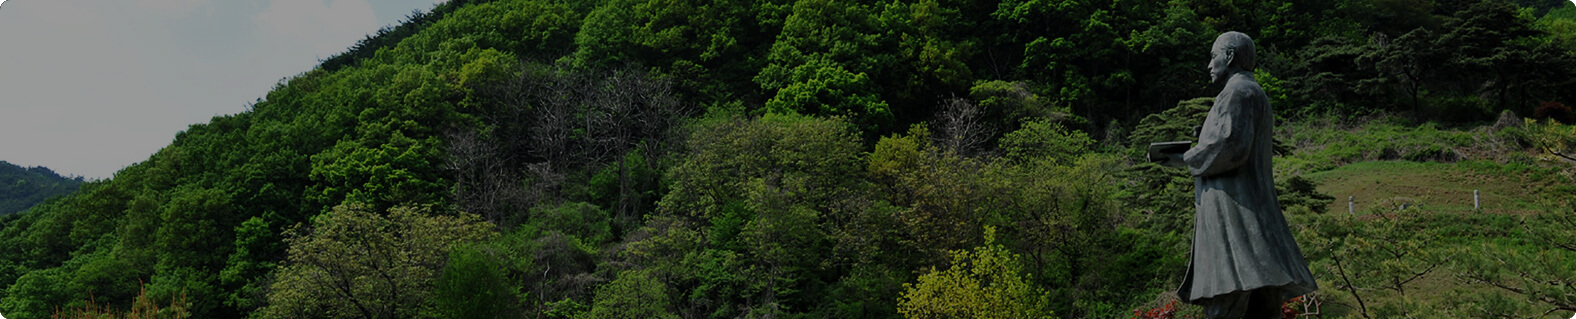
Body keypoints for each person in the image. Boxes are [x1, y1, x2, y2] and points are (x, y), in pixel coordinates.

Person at [1177, 31, 1317, 319]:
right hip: (1251, 212)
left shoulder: (1237, 92)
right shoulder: (1251, 93)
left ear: (1229, 57)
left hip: (1234, 215)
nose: (1209, 65)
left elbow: (1231, 146)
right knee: (1262, 301)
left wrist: (1185, 157)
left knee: (1227, 294)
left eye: (1213, 56)